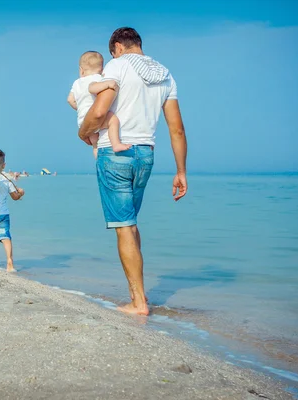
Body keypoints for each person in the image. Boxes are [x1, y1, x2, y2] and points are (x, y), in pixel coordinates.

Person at [78, 27, 188, 316]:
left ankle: (139, 303)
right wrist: (181, 171)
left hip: (114, 154)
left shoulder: (117, 65)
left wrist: (83, 131)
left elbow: (101, 111)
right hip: (146, 155)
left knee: (124, 226)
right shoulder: (165, 74)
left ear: (117, 47)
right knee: (131, 224)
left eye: (111, 52)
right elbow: (176, 128)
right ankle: (138, 295)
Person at [67, 51, 131, 158]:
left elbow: (70, 100)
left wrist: (80, 108)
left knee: (95, 145)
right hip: (96, 117)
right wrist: (107, 83)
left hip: (83, 120)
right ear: (101, 70)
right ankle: (116, 144)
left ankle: (98, 160)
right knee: (113, 120)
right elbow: (92, 88)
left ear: (81, 70)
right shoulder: (98, 79)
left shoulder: (76, 83)